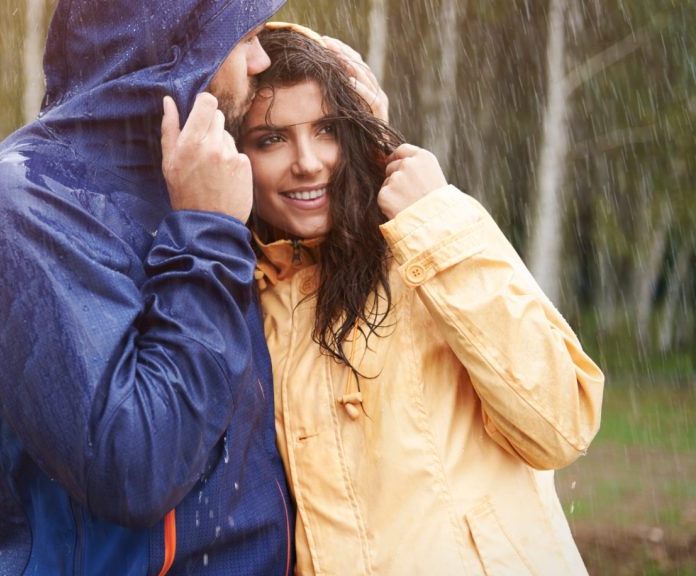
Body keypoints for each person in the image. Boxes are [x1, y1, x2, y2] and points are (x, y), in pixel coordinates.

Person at [0, 1, 298, 574]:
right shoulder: (20, 207)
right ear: (175, 44)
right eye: (245, 35)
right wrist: (208, 236)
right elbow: (135, 465)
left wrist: (350, 114)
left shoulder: (206, 176)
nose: (262, 59)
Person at [235, 23, 605, 574]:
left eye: (329, 129)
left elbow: (560, 425)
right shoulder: (244, 296)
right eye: (272, 139)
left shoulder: (428, 242)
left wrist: (431, 225)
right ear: (235, 154)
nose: (308, 162)